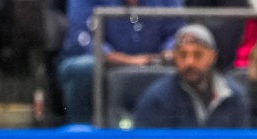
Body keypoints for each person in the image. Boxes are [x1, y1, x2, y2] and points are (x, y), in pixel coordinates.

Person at [57, 0, 186, 124]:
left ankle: (181, 136)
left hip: (155, 62)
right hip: (105, 63)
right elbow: (81, 36)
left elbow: (177, 32)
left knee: (189, 63)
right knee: (81, 68)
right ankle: (83, 135)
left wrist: (166, 53)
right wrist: (120, 58)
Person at [133, 23, 250, 127]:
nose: (190, 62)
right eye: (182, 55)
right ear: (175, 57)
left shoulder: (233, 96)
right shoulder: (157, 98)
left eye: (198, 55)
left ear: (213, 57)